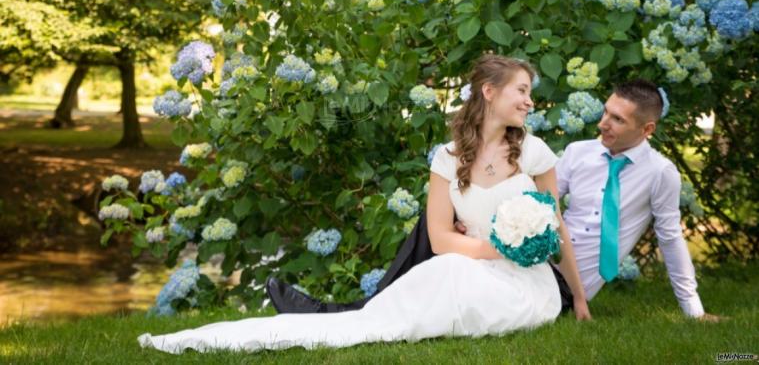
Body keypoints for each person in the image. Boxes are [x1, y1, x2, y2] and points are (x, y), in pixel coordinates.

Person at [137, 55, 590, 354]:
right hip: (470, 262)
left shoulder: (533, 153)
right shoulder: (447, 158)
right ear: (489, 93)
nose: (530, 101)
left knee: (447, 280)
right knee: (433, 278)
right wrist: (493, 249)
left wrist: (581, 300)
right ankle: (356, 324)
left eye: (530, 92)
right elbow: (439, 238)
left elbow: (557, 227)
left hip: (525, 283)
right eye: (522, 90)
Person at [269, 79, 720, 321]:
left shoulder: (662, 174)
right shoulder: (579, 155)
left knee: (437, 236)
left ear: (646, 129)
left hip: (559, 278)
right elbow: (535, 204)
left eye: (617, 120)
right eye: (604, 112)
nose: (603, 123)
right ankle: (352, 312)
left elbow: (671, 240)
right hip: (519, 255)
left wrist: (693, 311)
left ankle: (352, 312)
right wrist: (479, 223)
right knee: (437, 223)